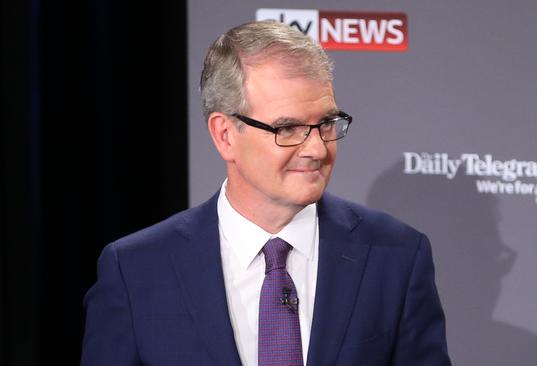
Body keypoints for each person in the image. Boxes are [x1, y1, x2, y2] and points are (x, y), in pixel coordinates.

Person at [81, 20, 451, 366]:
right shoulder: (136, 270)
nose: (317, 149)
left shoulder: (397, 258)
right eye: (287, 128)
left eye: (326, 123)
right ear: (225, 135)